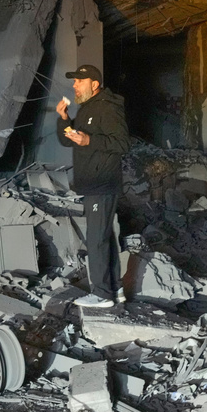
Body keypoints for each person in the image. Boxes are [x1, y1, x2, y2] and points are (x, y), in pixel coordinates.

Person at [55, 64, 130, 309]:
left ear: (94, 84)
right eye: (74, 81)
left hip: (102, 183)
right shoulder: (87, 108)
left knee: (96, 239)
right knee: (104, 238)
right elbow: (70, 142)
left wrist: (89, 139)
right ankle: (114, 289)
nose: (74, 85)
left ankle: (101, 294)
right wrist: (64, 119)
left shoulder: (107, 107)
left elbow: (122, 144)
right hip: (93, 184)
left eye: (79, 81)